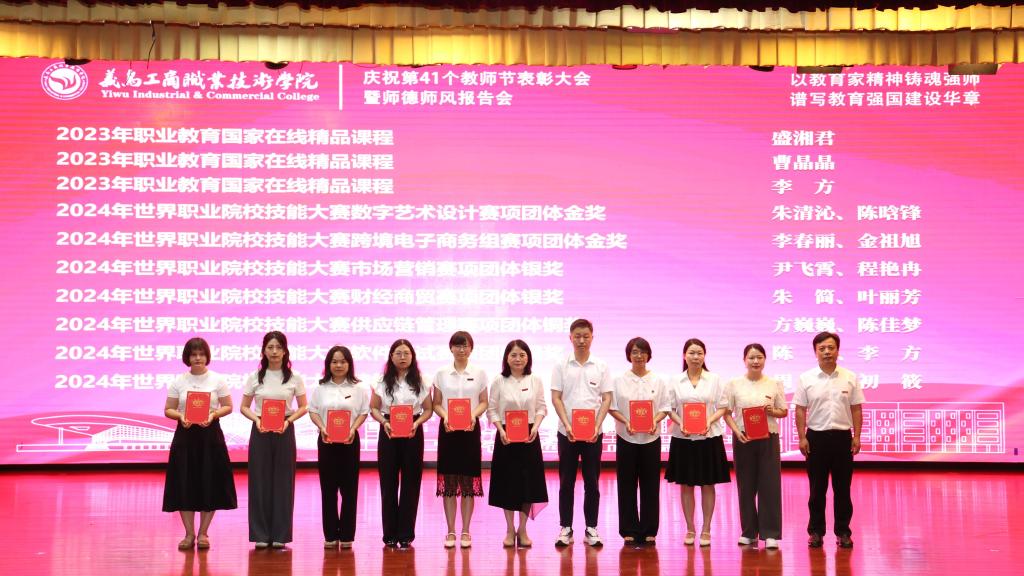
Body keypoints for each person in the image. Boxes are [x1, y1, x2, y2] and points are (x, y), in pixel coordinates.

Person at [162, 337, 237, 550]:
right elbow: (168, 409)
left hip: (210, 437)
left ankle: (203, 533)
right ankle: (189, 533)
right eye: (193, 354)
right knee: (184, 483)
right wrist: (180, 416)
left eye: (201, 354)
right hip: (185, 437)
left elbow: (228, 406)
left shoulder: (217, 380)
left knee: (209, 482)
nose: (197, 358)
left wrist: (213, 415)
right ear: (187, 357)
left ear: (207, 357)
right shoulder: (179, 381)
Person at [794, 331, 865, 549]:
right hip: (816, 438)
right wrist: (802, 437)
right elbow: (800, 409)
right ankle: (816, 532)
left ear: (837, 350)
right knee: (817, 489)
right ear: (815, 352)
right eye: (822, 348)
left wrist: (857, 436)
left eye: (831, 348)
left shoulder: (849, 377)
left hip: (843, 438)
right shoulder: (806, 378)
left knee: (843, 489)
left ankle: (843, 532)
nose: (827, 352)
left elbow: (856, 408)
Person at [239, 330, 308, 549]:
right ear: (263, 351)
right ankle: (260, 534)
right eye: (270, 347)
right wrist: (256, 420)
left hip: (284, 429)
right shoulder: (255, 377)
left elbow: (304, 406)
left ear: (285, 351)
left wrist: (289, 421)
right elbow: (244, 407)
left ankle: (281, 534)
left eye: (279, 347)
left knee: (284, 482)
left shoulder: (294, 377)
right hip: (260, 429)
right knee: (259, 481)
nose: (275, 351)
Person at [550, 318, 612, 547]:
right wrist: (567, 424)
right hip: (566, 432)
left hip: (593, 433)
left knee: (592, 483)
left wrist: (597, 425)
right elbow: (556, 397)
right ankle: (565, 528)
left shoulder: (601, 366)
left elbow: (607, 398)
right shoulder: (560, 365)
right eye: (577, 336)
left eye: (586, 336)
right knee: (566, 481)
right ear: (570, 337)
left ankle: (591, 528)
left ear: (592, 337)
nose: (582, 340)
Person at [665, 338, 730, 547]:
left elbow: (723, 407)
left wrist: (709, 421)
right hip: (683, 438)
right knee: (686, 485)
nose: (695, 357)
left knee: (708, 484)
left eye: (699, 353)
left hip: (709, 437)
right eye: (691, 353)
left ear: (704, 356)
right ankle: (690, 528)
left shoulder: (715, 379)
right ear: (684, 356)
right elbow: (669, 408)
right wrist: (681, 423)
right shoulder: (675, 380)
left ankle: (707, 529)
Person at [722, 343, 788, 549]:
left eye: (759, 357)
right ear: (744, 360)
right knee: (746, 485)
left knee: (770, 485)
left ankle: (770, 533)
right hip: (744, 438)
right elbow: (726, 412)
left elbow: (783, 411)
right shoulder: (733, 384)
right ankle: (749, 532)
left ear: (765, 359)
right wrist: (736, 432)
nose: (755, 361)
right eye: (751, 358)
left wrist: (772, 412)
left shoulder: (774, 383)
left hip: (769, 438)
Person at [370, 339, 433, 548]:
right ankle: (389, 534)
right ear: (391, 356)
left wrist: (417, 423)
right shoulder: (380, 381)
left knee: (411, 483)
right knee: (388, 483)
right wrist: (384, 422)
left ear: (412, 356)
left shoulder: (421, 381)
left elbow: (428, 409)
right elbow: (374, 408)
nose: (403, 357)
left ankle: (406, 534)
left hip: (413, 431)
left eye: (406, 353)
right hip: (388, 431)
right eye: (398, 353)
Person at [608, 337, 670, 545]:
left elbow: (664, 407)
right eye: (634, 352)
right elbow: (612, 407)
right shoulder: (618, 380)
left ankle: (649, 529)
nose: (639, 356)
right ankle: (629, 529)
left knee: (651, 485)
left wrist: (654, 421)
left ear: (648, 355)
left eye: (643, 352)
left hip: (651, 438)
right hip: (626, 436)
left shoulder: (658, 380)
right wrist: (626, 422)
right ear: (628, 355)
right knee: (626, 484)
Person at [487, 339, 548, 548]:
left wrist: (535, 427)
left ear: (528, 358)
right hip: (506, 437)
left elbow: (541, 407)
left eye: (522, 355)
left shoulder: (535, 379)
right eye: (513, 355)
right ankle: (509, 529)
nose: (518, 359)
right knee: (507, 483)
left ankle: (522, 529)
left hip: (529, 436)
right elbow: (492, 409)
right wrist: (501, 430)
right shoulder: (499, 381)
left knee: (527, 484)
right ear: (506, 358)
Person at [308, 345, 370, 549]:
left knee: (349, 490)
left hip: (349, 441)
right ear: (328, 364)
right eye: (334, 362)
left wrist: (353, 428)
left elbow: (363, 412)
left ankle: (346, 535)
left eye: (343, 361)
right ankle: (330, 534)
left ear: (349, 364)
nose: (339, 365)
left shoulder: (358, 388)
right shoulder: (320, 388)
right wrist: (322, 427)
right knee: (328, 489)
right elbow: (313, 411)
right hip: (326, 441)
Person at [431, 331, 488, 549]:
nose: (461, 349)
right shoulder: (441, 373)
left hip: (470, 431)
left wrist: (473, 415)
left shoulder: (479, 373)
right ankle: (450, 531)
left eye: (465, 346)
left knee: (467, 484)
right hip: (448, 431)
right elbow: (436, 403)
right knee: (449, 484)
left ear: (471, 348)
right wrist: (446, 416)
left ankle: (466, 530)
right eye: (457, 346)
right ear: (451, 348)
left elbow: (483, 401)